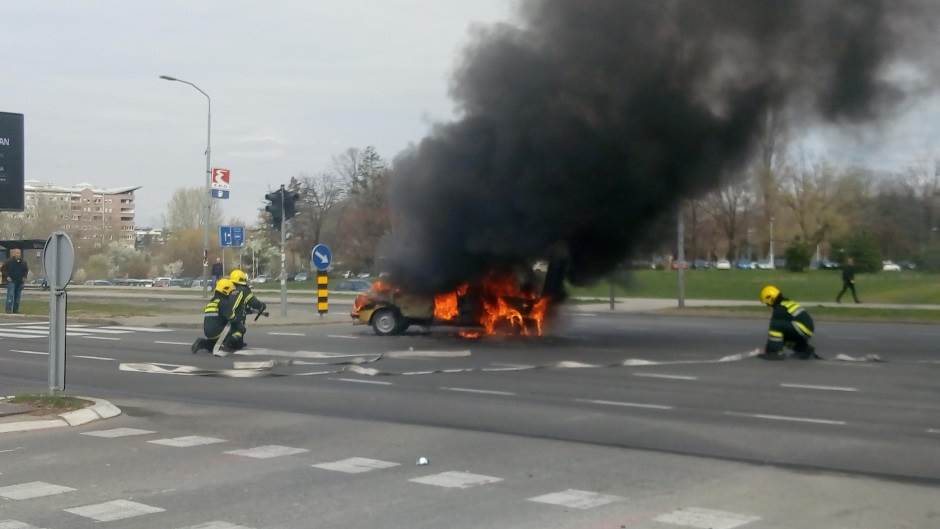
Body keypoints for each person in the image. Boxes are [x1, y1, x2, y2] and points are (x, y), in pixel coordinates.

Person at [759, 285, 819, 360]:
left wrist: (769, 350)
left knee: (775, 325)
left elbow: (773, 329)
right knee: (780, 337)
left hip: (802, 328)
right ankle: (804, 350)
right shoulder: (787, 303)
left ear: (770, 298)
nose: (767, 305)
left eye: (767, 303)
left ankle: (776, 353)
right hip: (807, 328)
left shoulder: (780, 309)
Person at [191, 278, 243, 355]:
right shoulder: (224, 302)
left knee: (213, 344)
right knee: (239, 328)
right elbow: (232, 319)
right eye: (231, 291)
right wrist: (240, 320)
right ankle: (226, 344)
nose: (232, 294)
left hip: (208, 332)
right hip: (218, 330)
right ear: (226, 290)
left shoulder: (212, 302)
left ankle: (202, 343)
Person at [228, 269, 267, 349]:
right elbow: (253, 303)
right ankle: (230, 342)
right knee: (241, 329)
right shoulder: (244, 290)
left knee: (237, 338)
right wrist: (261, 306)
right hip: (236, 318)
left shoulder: (230, 289)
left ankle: (235, 341)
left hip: (225, 315)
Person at [2, 249, 29, 314]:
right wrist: (7, 276)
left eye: (19, 253)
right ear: (13, 254)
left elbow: (26, 270)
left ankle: (15, 310)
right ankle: (8, 309)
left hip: (20, 282)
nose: (18, 254)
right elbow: (3, 269)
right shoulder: (8, 261)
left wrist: (24, 277)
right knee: (10, 295)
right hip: (11, 281)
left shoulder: (23, 262)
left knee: (18, 297)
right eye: (16, 253)